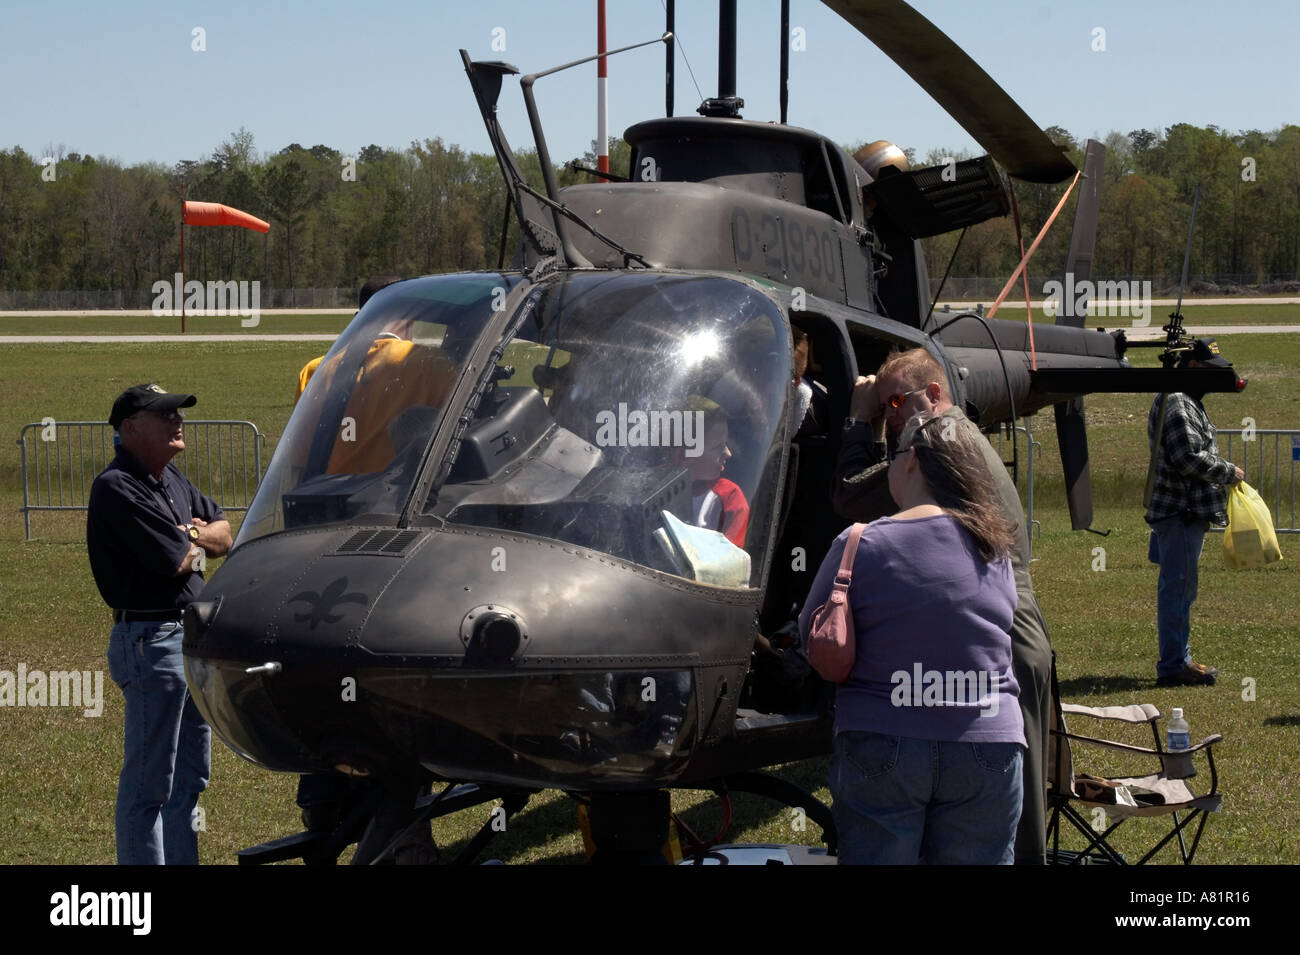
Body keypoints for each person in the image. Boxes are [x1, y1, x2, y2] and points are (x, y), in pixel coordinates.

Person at [832, 347, 1054, 865]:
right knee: (1003, 813)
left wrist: (859, 421)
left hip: (1000, 637)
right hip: (1010, 628)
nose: (890, 414)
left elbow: (848, 495)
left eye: (895, 401)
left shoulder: (936, 439)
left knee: (1007, 827)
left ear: (934, 395)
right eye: (883, 406)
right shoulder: (961, 435)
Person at [803, 412, 1023, 864]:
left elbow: (813, 630)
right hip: (989, 742)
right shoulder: (995, 546)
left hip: (883, 740)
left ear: (913, 461)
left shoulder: (859, 542)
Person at [87, 384, 232, 864]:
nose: (177, 421)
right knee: (150, 783)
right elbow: (178, 560)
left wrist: (189, 533)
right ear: (130, 428)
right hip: (152, 642)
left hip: (189, 638)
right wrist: (195, 540)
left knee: (190, 777)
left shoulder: (171, 479)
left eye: (178, 413)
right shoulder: (117, 486)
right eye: (163, 414)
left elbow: (224, 534)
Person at [1145, 338, 1243, 687]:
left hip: (1181, 512)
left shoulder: (1184, 400)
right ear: (1191, 368)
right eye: (1208, 371)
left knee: (1179, 588)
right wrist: (1229, 472)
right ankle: (1173, 665)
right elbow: (1187, 457)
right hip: (1180, 512)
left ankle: (1179, 657)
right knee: (1179, 589)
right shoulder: (1178, 404)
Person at [674, 396, 748, 548]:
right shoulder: (649, 486)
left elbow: (728, 564)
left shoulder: (729, 499)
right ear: (684, 455)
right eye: (717, 447)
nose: (728, 453)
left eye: (725, 444)